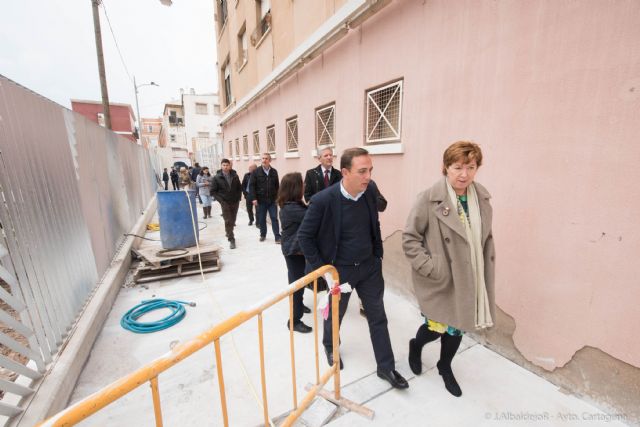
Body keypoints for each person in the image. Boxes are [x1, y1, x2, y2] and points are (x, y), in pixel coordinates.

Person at [298, 147, 408, 390]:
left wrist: (378, 255)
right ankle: (330, 347)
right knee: (334, 316)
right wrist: (325, 271)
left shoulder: (369, 193)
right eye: (362, 171)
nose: (368, 176)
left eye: (370, 170)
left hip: (369, 268)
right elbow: (304, 237)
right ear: (345, 172)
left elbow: (374, 225)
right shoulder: (323, 201)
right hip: (340, 272)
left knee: (378, 316)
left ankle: (386, 366)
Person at [403, 141, 495, 397]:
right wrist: (431, 267)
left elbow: (483, 238)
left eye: (471, 167)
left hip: (470, 278)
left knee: (457, 328)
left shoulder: (482, 198)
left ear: (477, 168)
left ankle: (444, 366)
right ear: (445, 168)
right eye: (457, 167)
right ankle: (415, 345)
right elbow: (410, 238)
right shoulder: (429, 198)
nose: (464, 174)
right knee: (435, 328)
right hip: (442, 278)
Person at [277, 172, 312, 334]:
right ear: (295, 188)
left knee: (299, 281)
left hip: (295, 250)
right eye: (302, 183)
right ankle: (294, 320)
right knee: (296, 285)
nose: (304, 186)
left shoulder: (293, 204)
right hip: (293, 251)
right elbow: (312, 216)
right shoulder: (292, 208)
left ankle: (299, 305)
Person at [210, 159, 242, 249]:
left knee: (233, 220)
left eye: (227, 165)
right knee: (228, 220)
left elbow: (239, 188)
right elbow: (213, 192)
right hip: (225, 202)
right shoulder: (216, 177)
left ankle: (228, 232)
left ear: (230, 166)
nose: (225, 167)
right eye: (223, 165)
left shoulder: (235, 176)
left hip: (235, 202)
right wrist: (221, 201)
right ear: (221, 166)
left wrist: (238, 198)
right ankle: (231, 239)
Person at [250, 153, 281, 243]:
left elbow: (277, 186)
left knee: (274, 218)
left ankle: (277, 237)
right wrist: (254, 198)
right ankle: (263, 234)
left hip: (272, 200)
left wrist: (278, 197)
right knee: (262, 218)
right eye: (263, 158)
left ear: (270, 160)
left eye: (266, 158)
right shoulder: (256, 172)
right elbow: (252, 186)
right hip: (261, 200)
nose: (264, 160)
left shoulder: (274, 172)